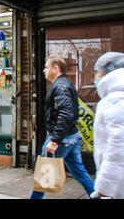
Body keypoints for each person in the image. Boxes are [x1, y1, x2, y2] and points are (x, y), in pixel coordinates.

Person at [30, 55, 94, 199]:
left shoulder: (61, 86)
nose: (44, 70)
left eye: (46, 67)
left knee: (43, 175)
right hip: (71, 136)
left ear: (56, 68)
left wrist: (54, 140)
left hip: (62, 139)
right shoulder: (62, 85)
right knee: (80, 173)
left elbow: (65, 114)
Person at [90, 52, 124, 199]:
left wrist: (104, 188)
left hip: (117, 187)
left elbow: (119, 148)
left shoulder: (116, 99)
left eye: (97, 73)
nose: (95, 78)